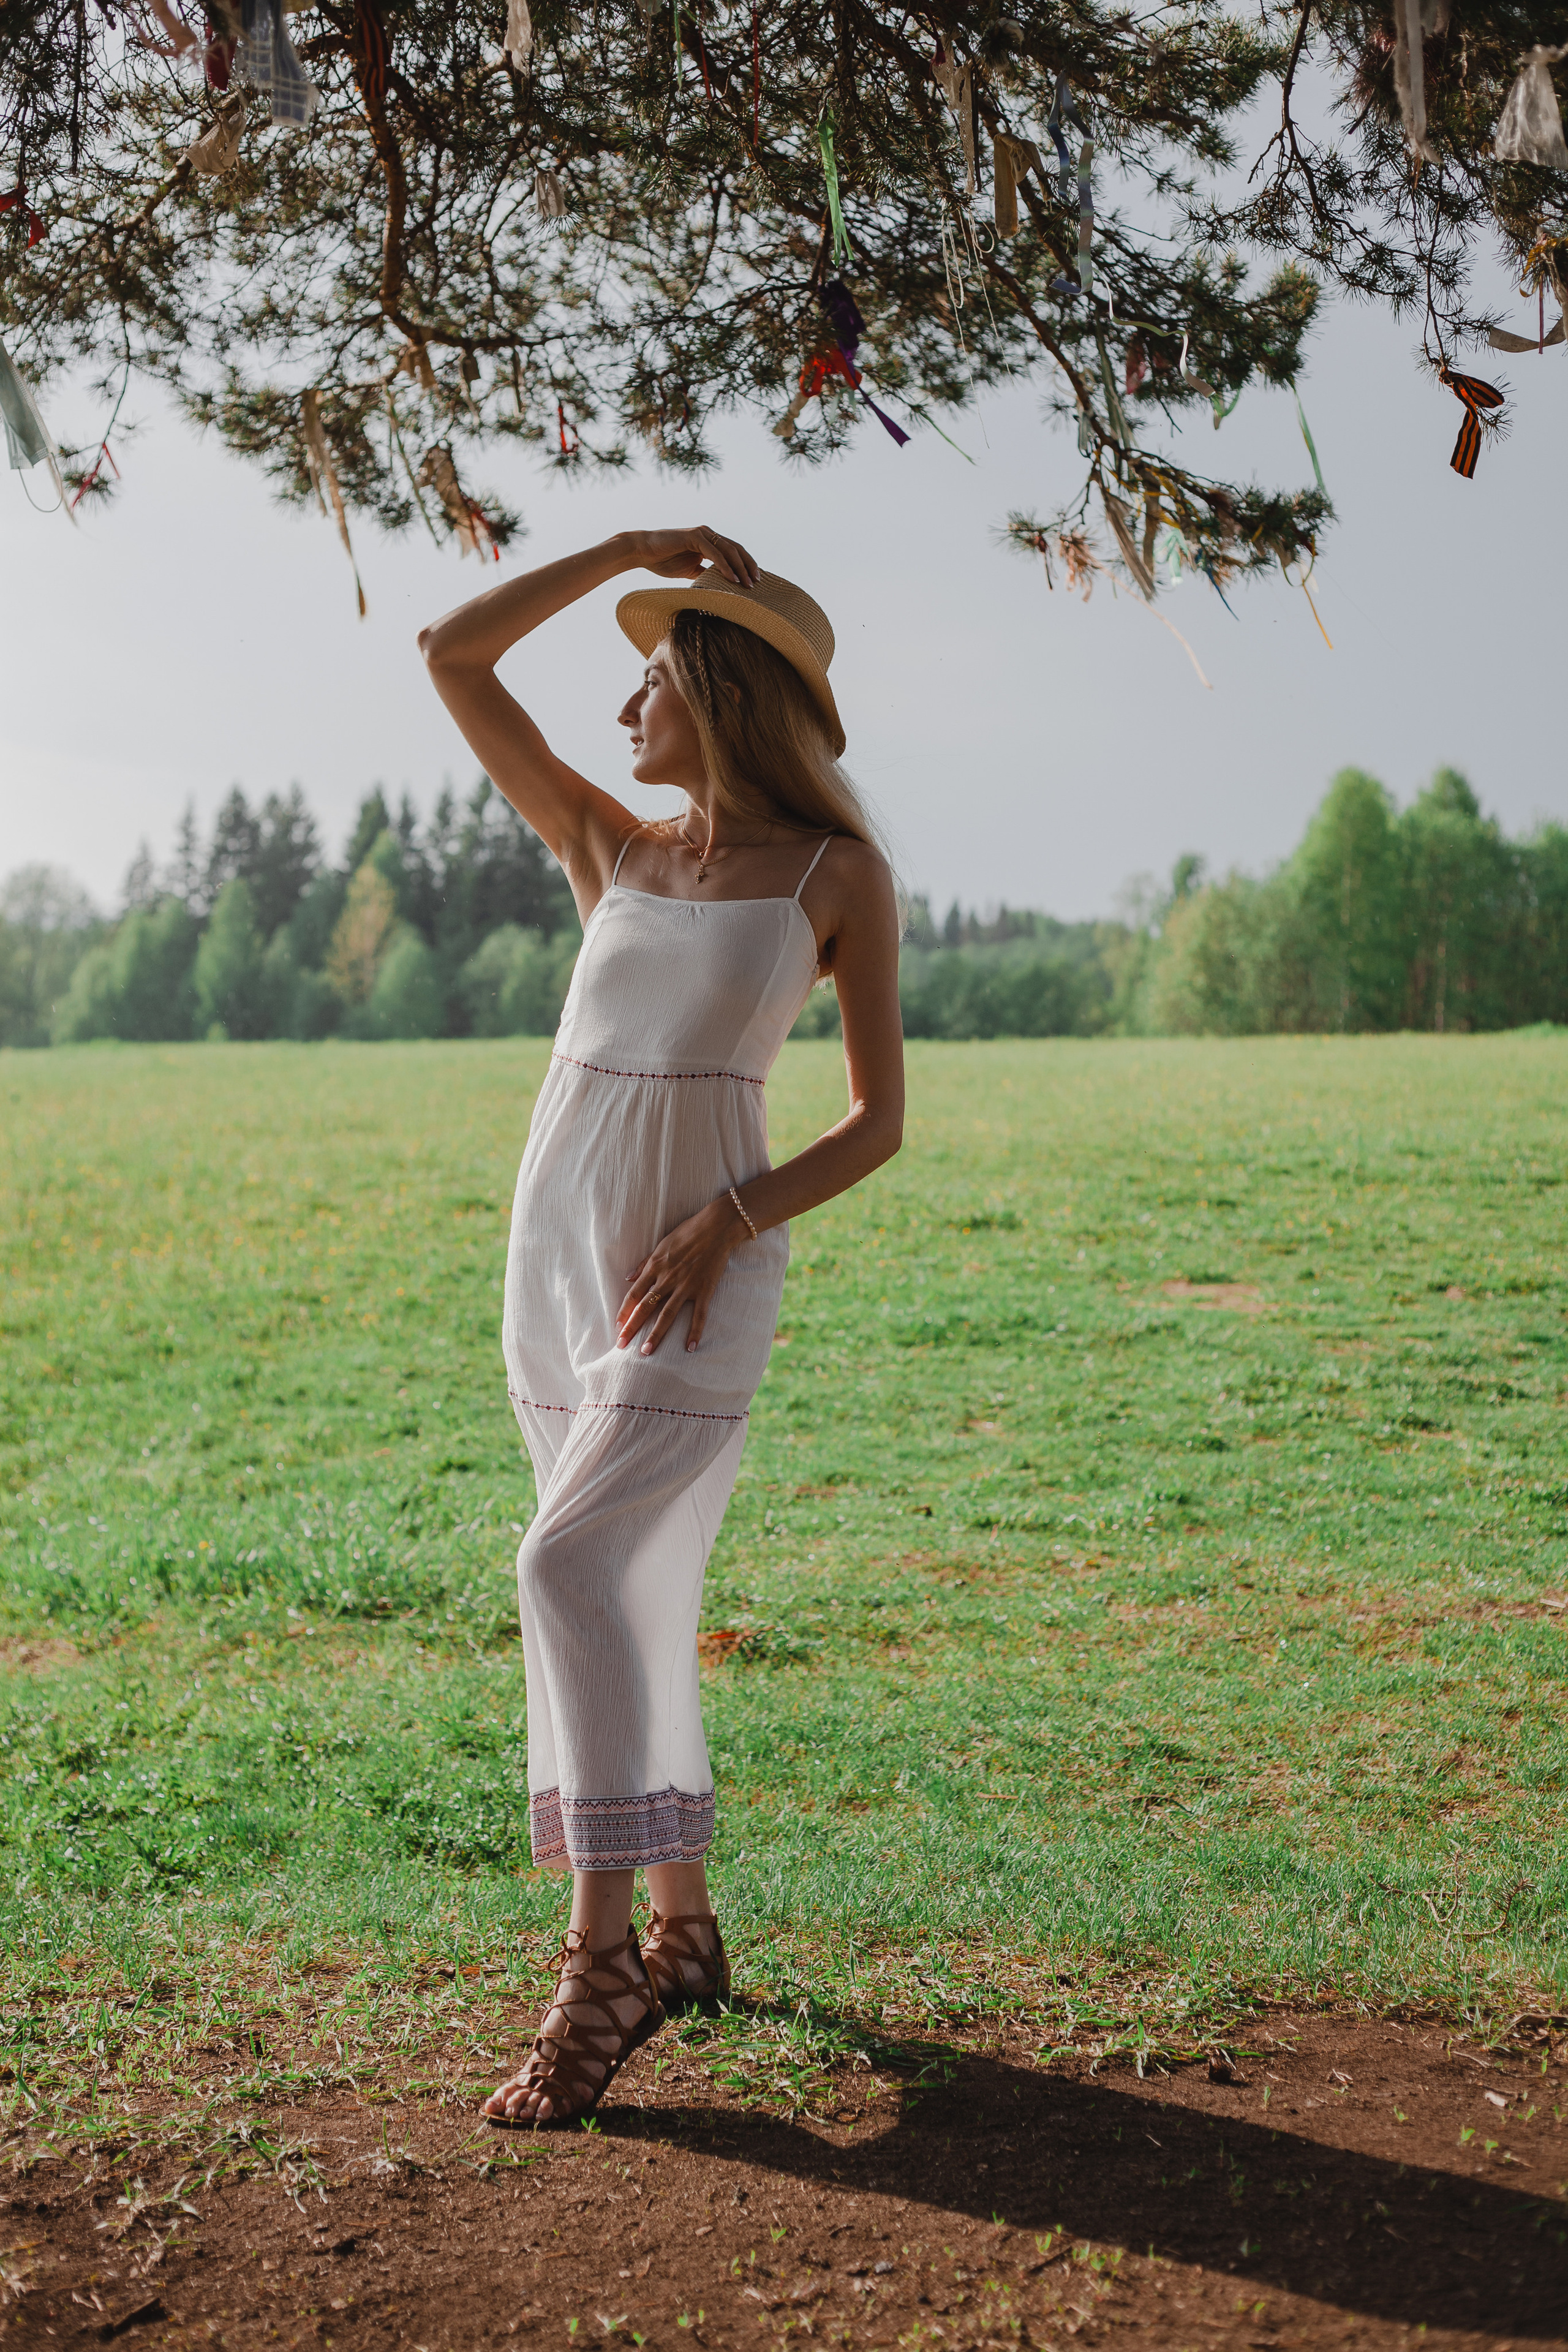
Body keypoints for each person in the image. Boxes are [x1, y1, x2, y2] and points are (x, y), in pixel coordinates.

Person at [418, 524, 905, 2127]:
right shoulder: (610, 849)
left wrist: (725, 1221)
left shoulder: (837, 879)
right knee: (619, 1585)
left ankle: (599, 1964)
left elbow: (875, 1123)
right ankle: (687, 1930)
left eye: (651, 669)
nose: (625, 701)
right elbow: (452, 656)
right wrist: (626, 549)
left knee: (560, 1566)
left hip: (697, 1270)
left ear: (716, 686)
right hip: (559, 1252)